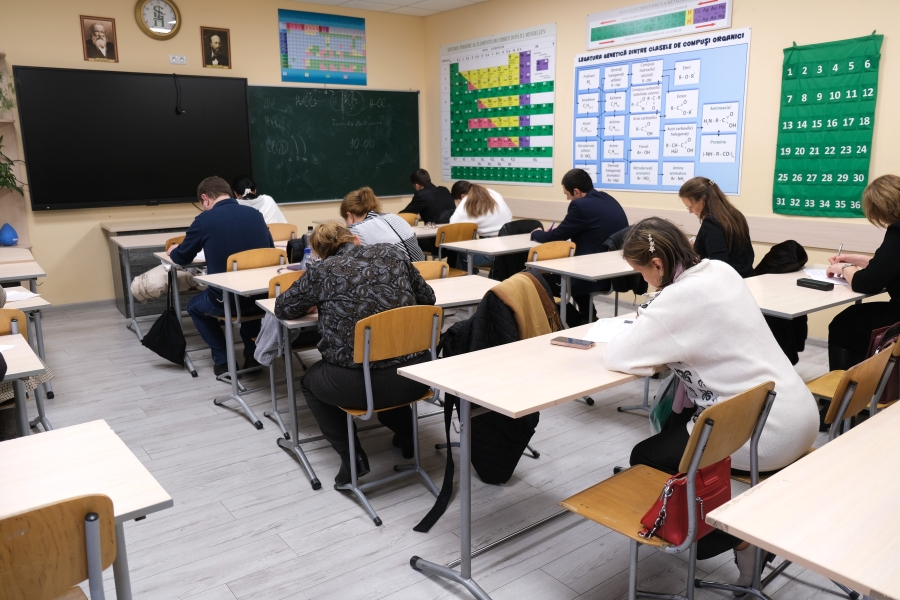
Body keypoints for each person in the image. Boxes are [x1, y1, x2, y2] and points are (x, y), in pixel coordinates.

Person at [605, 217, 819, 586]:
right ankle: (733, 525)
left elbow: (619, 356)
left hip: (766, 435)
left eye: (642, 273)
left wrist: (650, 316)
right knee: (675, 431)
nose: (644, 281)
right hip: (799, 413)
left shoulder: (677, 298)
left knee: (646, 456)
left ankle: (738, 537)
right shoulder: (719, 270)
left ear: (657, 264)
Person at [274, 222, 436, 485]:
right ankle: (407, 437)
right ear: (355, 239)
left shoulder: (322, 271)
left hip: (358, 386)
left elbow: (283, 308)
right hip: (416, 377)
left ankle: (352, 457)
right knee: (389, 359)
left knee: (310, 382)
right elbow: (428, 298)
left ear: (320, 253)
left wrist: (318, 301)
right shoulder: (393, 254)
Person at [169, 176, 274, 377]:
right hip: (261, 297)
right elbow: (269, 250)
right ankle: (253, 356)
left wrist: (174, 250)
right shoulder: (256, 214)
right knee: (247, 296)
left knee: (194, 307)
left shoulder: (204, 220)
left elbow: (182, 258)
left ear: (205, 198)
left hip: (227, 300)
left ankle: (224, 360)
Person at [530, 168, 628, 325]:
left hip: (591, 275)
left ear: (576, 191)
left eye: (567, 194)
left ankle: (577, 321)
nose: (567, 199)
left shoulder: (580, 206)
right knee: (570, 270)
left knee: (537, 282)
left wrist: (537, 234)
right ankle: (587, 316)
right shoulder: (608, 199)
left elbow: (555, 236)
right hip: (615, 272)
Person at [826, 174, 900, 370]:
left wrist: (844, 268)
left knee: (845, 324)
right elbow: (888, 265)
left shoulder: (898, 232)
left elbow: (866, 284)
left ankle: (845, 386)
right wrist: (852, 259)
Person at [679, 177, 754, 278]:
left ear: (703, 199)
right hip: (745, 278)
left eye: (690, 207)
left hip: (728, 282)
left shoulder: (711, 223)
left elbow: (719, 265)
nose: (690, 211)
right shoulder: (735, 215)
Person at [340, 186, 425, 262]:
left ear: (349, 216)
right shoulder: (393, 216)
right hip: (425, 269)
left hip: (402, 273)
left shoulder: (354, 230)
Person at [449, 181, 512, 271]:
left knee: (460, 251)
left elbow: (452, 227)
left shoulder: (467, 200)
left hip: (491, 254)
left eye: (458, 202)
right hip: (509, 249)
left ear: (463, 196)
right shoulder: (492, 193)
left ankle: (464, 278)